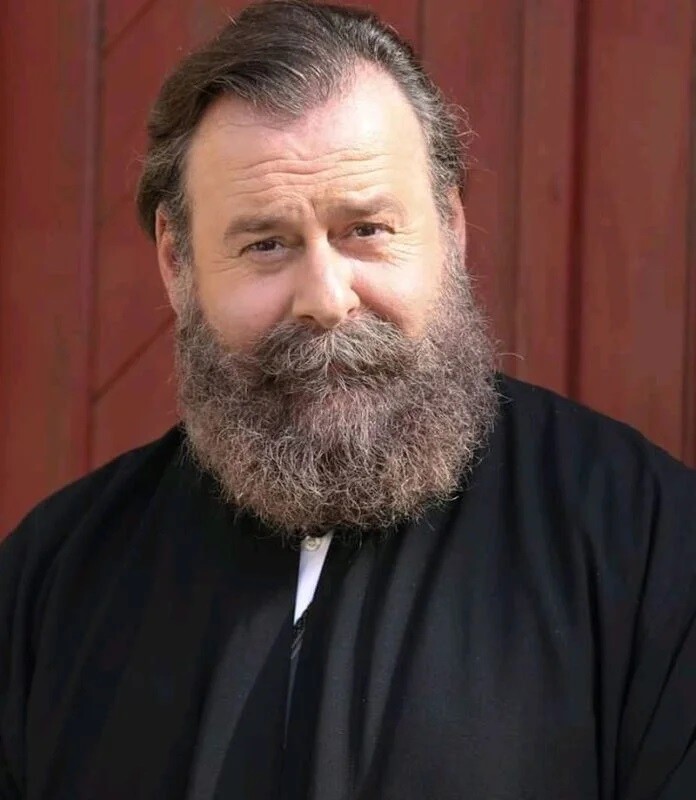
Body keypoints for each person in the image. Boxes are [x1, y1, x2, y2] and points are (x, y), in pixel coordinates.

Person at [1, 1, 695, 797]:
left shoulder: (648, 548)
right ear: (175, 261)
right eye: (266, 244)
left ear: (451, 226)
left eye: (365, 229)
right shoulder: (53, 585)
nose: (326, 300)